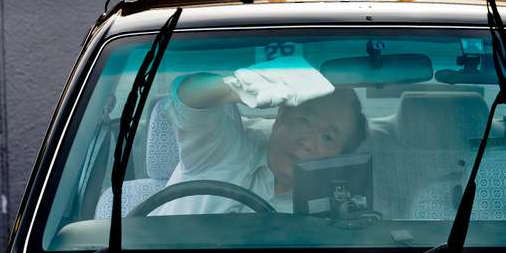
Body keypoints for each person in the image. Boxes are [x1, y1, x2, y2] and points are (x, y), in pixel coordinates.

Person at [154, 57, 367, 215]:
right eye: (303, 121)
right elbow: (188, 98)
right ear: (280, 117)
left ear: (340, 156)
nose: (308, 142)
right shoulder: (222, 149)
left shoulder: (337, 210)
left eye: (327, 137)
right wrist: (238, 86)